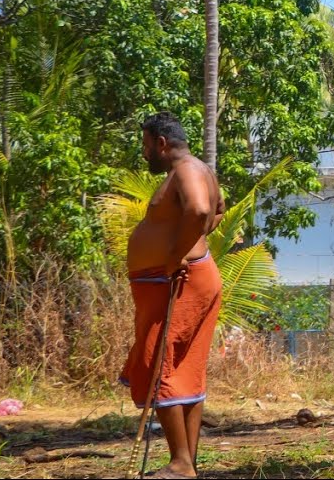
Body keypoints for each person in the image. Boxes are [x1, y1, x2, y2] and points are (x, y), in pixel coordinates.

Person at [119, 112, 225, 479]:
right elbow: (218, 210)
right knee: (182, 368)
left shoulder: (186, 170)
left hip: (176, 283)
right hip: (181, 280)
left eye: (147, 146)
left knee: (158, 363)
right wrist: (189, 244)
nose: (145, 153)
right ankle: (187, 464)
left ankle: (181, 464)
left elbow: (200, 210)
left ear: (162, 144)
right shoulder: (197, 170)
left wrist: (176, 256)